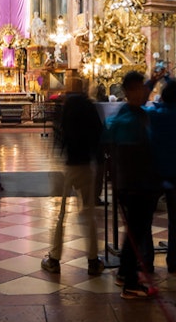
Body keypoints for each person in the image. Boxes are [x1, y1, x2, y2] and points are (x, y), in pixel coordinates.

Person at [104, 70, 161, 300]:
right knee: (135, 234)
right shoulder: (129, 120)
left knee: (135, 232)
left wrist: (154, 79)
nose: (144, 93)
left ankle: (125, 273)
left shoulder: (132, 112)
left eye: (144, 89)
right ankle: (129, 283)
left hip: (137, 183)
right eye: (139, 89)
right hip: (136, 184)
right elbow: (132, 157)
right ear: (129, 92)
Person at [41, 76, 105, 277]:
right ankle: (93, 261)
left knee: (60, 215)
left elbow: (59, 134)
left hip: (68, 165)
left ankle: (54, 259)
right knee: (89, 214)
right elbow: (98, 134)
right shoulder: (90, 107)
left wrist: (58, 154)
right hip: (86, 164)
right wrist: (98, 159)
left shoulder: (65, 107)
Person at [146, 77, 176, 273]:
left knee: (147, 216)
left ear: (161, 96)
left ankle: (147, 260)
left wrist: (153, 80)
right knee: (175, 216)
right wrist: (169, 80)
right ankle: (173, 260)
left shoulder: (153, 113)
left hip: (155, 170)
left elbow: (139, 104)